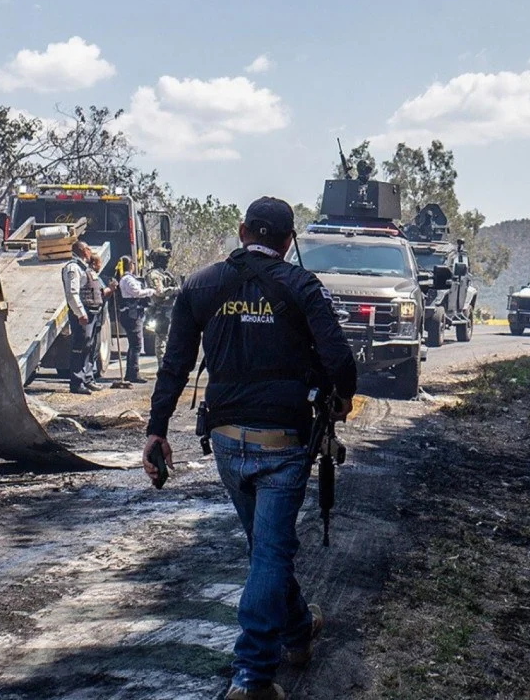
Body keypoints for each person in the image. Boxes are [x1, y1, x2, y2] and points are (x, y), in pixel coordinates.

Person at [143, 197, 357, 700]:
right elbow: (341, 363)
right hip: (282, 444)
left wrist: (156, 431)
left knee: (267, 551)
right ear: (288, 241)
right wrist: (339, 402)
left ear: (242, 231)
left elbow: (174, 364)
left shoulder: (200, 285)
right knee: (269, 555)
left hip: (224, 442)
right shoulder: (302, 286)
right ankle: (252, 679)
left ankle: (299, 631)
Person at [61, 241, 101, 395]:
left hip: (91, 312)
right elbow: (72, 293)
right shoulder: (73, 268)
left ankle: (87, 379)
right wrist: (80, 313)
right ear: (83, 250)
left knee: (88, 347)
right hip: (82, 314)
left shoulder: (85, 268)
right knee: (80, 347)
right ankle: (77, 383)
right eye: (88, 248)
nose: (90, 251)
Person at [116, 255, 156, 384]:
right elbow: (137, 292)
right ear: (130, 265)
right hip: (132, 315)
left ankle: (131, 372)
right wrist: (150, 291)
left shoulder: (126, 279)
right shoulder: (128, 279)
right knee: (136, 344)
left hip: (131, 314)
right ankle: (133, 373)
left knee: (134, 344)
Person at [87, 255, 114, 381]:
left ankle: (89, 376)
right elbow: (102, 293)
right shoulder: (93, 276)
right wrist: (112, 288)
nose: (100, 266)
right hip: (95, 317)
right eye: (99, 263)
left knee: (94, 346)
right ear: (93, 263)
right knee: (93, 347)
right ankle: (89, 376)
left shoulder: (93, 275)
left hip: (96, 317)